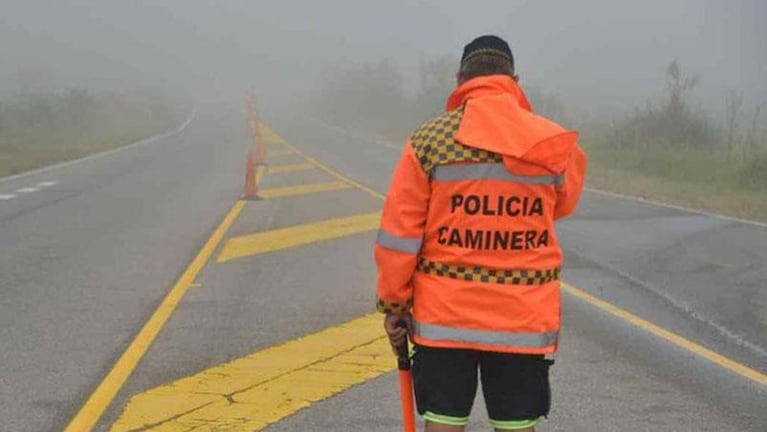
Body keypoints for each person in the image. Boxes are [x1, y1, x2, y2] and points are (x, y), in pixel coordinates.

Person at [374, 35, 587, 432]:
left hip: (444, 322)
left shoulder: (428, 141)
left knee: (443, 424)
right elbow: (562, 204)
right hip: (521, 323)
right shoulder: (550, 141)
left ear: (460, 80)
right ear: (514, 79)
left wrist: (394, 304)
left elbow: (399, 236)